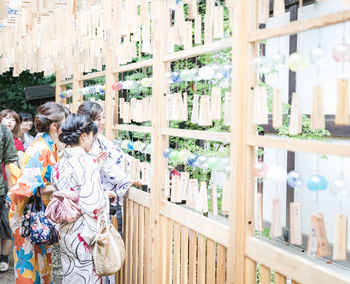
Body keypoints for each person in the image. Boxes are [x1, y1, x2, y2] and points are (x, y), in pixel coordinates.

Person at [51, 114, 116, 283]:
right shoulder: (86, 162)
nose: (93, 141)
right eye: (92, 136)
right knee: (87, 275)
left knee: (71, 273)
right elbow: (93, 204)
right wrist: (104, 196)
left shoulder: (61, 161)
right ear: (84, 135)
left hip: (66, 228)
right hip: (83, 231)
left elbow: (70, 189)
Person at [8, 102, 68, 283]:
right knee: (32, 265)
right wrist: (62, 187)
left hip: (43, 212)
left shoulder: (49, 143)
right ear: (55, 126)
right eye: (65, 122)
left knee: (48, 264)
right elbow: (29, 187)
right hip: (30, 215)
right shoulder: (40, 148)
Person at [0, 120, 18, 272]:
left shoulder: (4, 132)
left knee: (6, 224)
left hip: (1, 189)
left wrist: (11, 190)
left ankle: (3, 257)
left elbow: (9, 162)